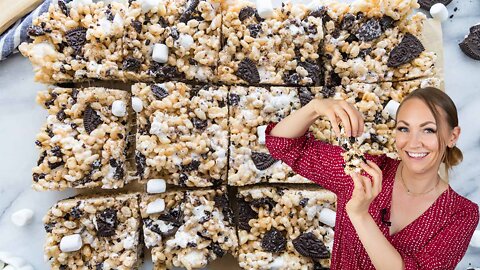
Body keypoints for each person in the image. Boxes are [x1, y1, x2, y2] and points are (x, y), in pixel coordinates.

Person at [265, 87, 479, 270]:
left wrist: (360, 215)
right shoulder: (364, 171)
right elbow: (283, 144)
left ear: (453, 136)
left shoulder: (461, 214)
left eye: (429, 130)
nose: (413, 143)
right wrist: (315, 107)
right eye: (404, 128)